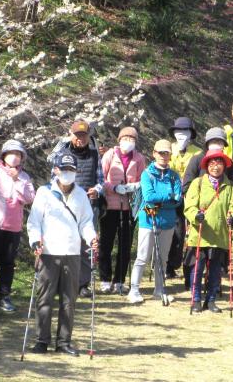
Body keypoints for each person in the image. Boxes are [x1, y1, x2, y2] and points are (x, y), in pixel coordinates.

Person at [27, 154, 98, 355]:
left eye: (71, 169)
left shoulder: (81, 194)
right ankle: (42, 340)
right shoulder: (44, 192)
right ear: (56, 170)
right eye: (64, 169)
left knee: (69, 300)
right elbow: (34, 222)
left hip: (73, 252)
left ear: (76, 172)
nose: (68, 173)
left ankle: (64, 342)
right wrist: (35, 240)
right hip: (48, 252)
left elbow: (86, 222)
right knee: (44, 298)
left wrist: (91, 238)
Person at [47, 119, 104, 298]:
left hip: (89, 205)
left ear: (89, 136)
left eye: (84, 135)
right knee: (63, 242)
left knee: (87, 245)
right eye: (77, 135)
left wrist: (97, 190)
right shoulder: (61, 154)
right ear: (71, 135)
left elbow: (101, 179)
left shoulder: (95, 155)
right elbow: (52, 181)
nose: (81, 138)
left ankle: (82, 284)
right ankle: (61, 281)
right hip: (65, 206)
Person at [0, 139, 36, 312]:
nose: (15, 157)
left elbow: (29, 198)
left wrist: (17, 180)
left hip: (14, 227)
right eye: (11, 153)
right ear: (4, 155)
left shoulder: (25, 177)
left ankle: (5, 296)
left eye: (18, 154)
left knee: (8, 263)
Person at [184, 150, 233, 313]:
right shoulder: (198, 183)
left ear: (224, 166)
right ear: (207, 166)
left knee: (215, 270)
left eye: (219, 163)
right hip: (200, 234)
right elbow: (189, 206)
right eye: (212, 163)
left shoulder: (230, 187)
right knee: (197, 269)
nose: (216, 167)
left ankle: (211, 300)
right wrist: (196, 215)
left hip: (220, 235)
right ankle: (195, 300)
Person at [128, 140, 183, 304]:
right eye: (161, 153)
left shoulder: (174, 176)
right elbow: (149, 197)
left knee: (162, 258)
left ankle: (159, 290)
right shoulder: (147, 174)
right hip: (148, 219)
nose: (164, 156)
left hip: (167, 221)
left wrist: (168, 199)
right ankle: (134, 290)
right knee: (142, 257)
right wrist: (169, 197)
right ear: (154, 154)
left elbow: (178, 199)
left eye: (167, 153)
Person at [100, 126, 147, 295]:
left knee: (125, 245)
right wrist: (114, 187)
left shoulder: (139, 158)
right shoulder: (109, 155)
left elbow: (144, 179)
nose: (128, 142)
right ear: (119, 140)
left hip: (129, 207)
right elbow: (101, 178)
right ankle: (105, 279)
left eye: (132, 139)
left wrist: (135, 186)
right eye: (125, 138)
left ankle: (119, 280)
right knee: (106, 243)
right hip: (110, 206)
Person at [166, 117, 202, 279]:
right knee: (170, 231)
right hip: (169, 196)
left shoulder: (198, 152)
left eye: (185, 131)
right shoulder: (167, 149)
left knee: (184, 233)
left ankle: (183, 264)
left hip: (190, 196)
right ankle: (167, 266)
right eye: (178, 131)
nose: (181, 134)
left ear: (191, 134)